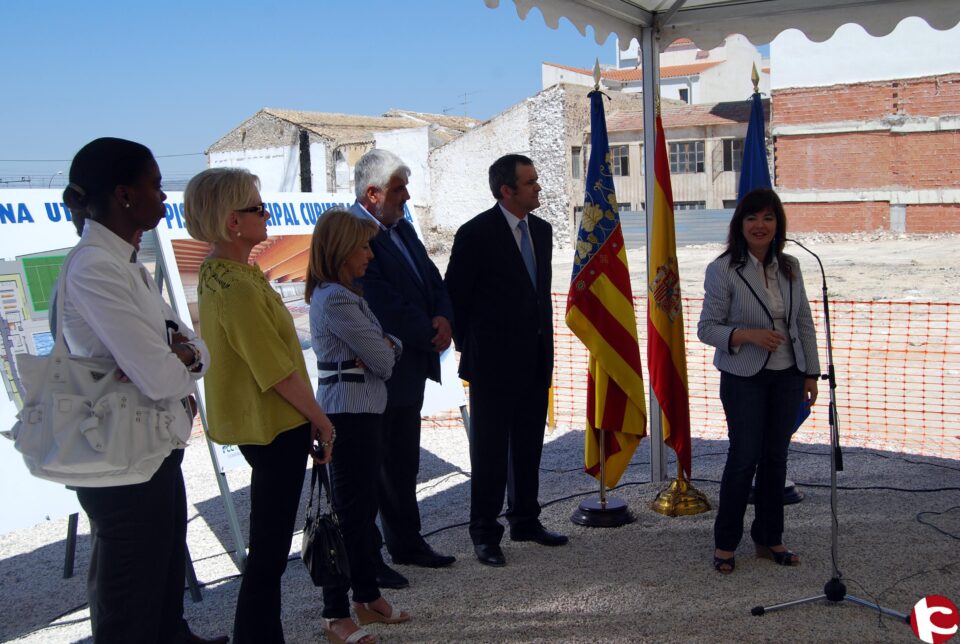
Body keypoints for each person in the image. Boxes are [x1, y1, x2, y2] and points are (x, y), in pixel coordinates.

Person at [59, 137, 226, 643]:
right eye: (155, 185)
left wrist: (178, 355)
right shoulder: (94, 267)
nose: (164, 196)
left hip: (152, 448)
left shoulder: (123, 260)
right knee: (130, 595)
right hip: (121, 458)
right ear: (123, 195)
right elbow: (159, 373)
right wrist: (173, 357)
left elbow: (194, 347)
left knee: (163, 569)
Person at [183, 168, 335, 643]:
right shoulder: (238, 285)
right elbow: (276, 370)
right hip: (275, 428)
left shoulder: (224, 274)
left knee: (268, 549)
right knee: (268, 553)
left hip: (267, 426)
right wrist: (320, 418)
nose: (265, 212)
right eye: (255, 206)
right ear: (233, 222)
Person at [444, 153, 567, 567]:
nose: (538, 188)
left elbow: (537, 298)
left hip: (535, 359)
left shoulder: (544, 231)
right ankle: (484, 531)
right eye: (530, 182)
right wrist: (475, 347)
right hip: (492, 365)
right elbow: (455, 299)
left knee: (529, 445)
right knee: (491, 451)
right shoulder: (475, 234)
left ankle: (525, 519)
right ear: (507, 190)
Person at [697, 188, 820, 574]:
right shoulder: (723, 270)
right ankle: (725, 544)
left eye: (768, 217)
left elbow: (803, 320)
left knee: (775, 457)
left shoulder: (791, 266)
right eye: (752, 217)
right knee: (743, 457)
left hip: (788, 374)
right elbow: (707, 329)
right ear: (740, 225)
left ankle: (769, 537)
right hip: (744, 376)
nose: (760, 225)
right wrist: (746, 335)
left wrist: (810, 371)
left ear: (778, 224)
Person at [351, 149, 456, 588]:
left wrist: (445, 317)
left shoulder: (403, 229)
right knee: (377, 468)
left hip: (409, 368)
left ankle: (407, 543)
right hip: (381, 371)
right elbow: (376, 299)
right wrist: (425, 330)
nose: (407, 196)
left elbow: (433, 280)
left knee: (402, 461)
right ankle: (373, 557)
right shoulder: (354, 236)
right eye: (399, 189)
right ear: (373, 194)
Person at [306, 208, 410, 644]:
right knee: (348, 513)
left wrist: (385, 347)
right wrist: (384, 348)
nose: (370, 254)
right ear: (341, 249)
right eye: (363, 246)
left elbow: (389, 348)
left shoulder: (348, 295)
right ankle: (335, 612)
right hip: (349, 414)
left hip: (364, 409)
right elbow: (386, 360)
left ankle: (366, 597)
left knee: (361, 509)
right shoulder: (337, 299)